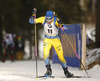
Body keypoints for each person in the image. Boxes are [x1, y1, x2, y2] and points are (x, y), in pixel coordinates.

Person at [29, 8, 73, 77]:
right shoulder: (43, 19)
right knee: (46, 55)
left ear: (53, 17)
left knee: (61, 57)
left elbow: (65, 28)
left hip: (56, 40)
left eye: (50, 20)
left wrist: (61, 24)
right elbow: (31, 21)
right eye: (47, 19)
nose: (48, 21)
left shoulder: (56, 20)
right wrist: (33, 15)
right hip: (47, 39)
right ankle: (49, 70)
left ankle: (66, 71)